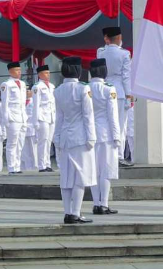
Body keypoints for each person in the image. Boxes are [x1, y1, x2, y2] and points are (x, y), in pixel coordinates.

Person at [54, 57, 97, 224]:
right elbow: (88, 115)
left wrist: (57, 137)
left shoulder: (58, 90)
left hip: (65, 136)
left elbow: (59, 117)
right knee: (81, 175)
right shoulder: (83, 88)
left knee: (66, 177)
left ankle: (67, 212)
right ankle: (75, 212)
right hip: (81, 137)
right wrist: (91, 137)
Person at [89, 58, 120, 215]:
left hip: (89, 133)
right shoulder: (109, 88)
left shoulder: (85, 88)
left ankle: (96, 203)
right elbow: (112, 115)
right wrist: (117, 136)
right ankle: (104, 204)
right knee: (106, 170)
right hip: (106, 133)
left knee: (93, 170)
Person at [97, 27, 132, 166]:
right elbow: (126, 76)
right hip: (119, 91)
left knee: (106, 123)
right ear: (119, 38)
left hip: (104, 90)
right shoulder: (124, 54)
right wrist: (129, 95)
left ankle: (107, 155)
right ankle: (119, 156)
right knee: (120, 126)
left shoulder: (101, 52)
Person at [1, 61, 27, 175]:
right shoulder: (6, 84)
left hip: (22, 116)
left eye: (20, 70)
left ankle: (17, 166)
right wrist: (6, 119)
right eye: (16, 70)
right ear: (10, 71)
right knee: (12, 143)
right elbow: (5, 103)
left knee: (20, 143)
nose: (19, 72)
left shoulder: (22, 84)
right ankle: (11, 167)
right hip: (12, 116)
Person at [31, 65, 56, 173]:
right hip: (42, 116)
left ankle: (47, 163)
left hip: (51, 116)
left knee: (49, 141)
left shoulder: (52, 86)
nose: (48, 75)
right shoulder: (37, 87)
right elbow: (36, 105)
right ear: (40, 74)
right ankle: (41, 165)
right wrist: (35, 121)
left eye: (49, 73)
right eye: (46, 73)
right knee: (43, 141)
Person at [21, 88, 38, 171]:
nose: (26, 92)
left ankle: (35, 166)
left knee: (33, 150)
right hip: (24, 129)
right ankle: (27, 167)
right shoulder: (22, 102)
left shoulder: (34, 102)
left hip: (32, 129)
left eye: (27, 91)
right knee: (25, 151)